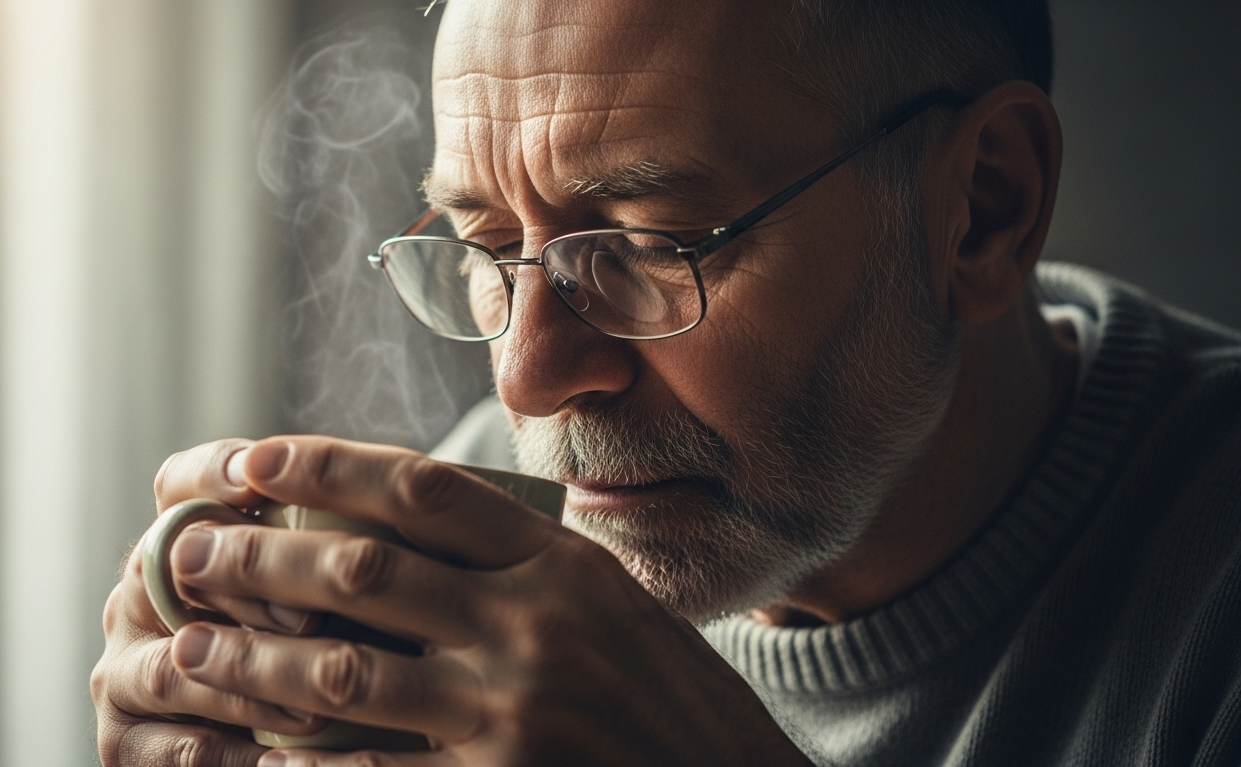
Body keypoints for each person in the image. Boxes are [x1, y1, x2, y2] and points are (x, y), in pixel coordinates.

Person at [91, 0, 1241, 765]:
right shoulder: (479, 518)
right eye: (486, 246)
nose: (527, 378)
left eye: (650, 246)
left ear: (982, 207)